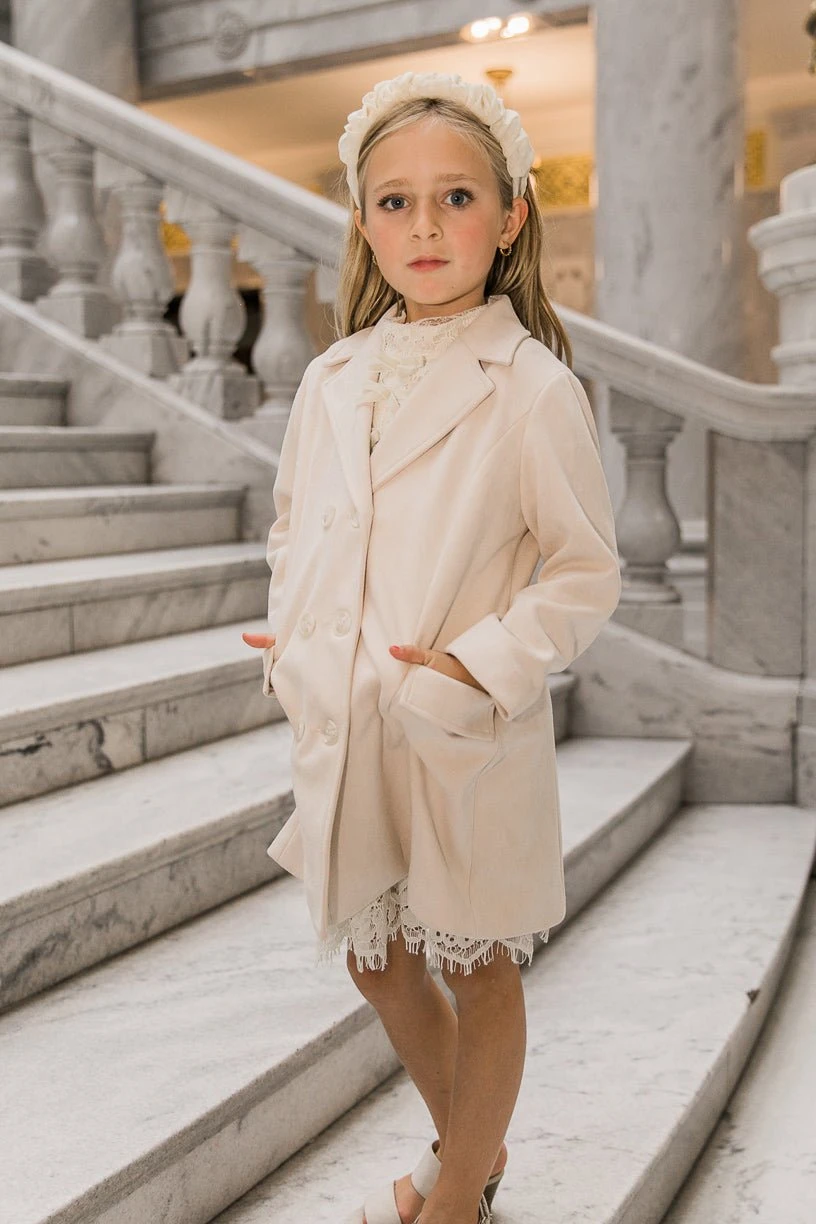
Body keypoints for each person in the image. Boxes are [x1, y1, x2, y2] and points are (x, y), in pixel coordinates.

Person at [242, 70, 622, 1224]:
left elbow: (585, 572)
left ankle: (457, 1194)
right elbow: (297, 523)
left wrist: (482, 666)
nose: (424, 226)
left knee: (474, 961)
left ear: (509, 218)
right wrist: (295, 635)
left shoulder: (532, 389)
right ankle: (473, 1158)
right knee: (375, 957)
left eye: (455, 197)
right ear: (362, 223)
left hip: (459, 726)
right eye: (395, 202)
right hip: (349, 716)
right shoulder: (329, 377)